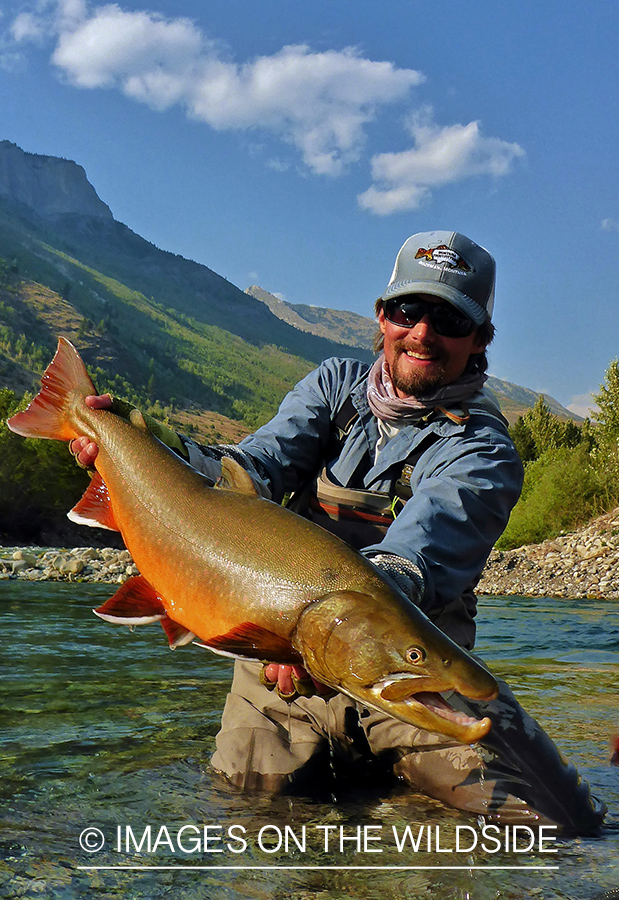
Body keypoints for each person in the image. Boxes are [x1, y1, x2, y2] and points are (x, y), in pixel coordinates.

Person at [71, 230, 605, 833]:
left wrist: (335, 634)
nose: (423, 333)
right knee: (246, 823)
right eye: (409, 310)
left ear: (480, 338)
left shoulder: (485, 451)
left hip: (409, 677)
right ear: (383, 317)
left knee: (556, 826)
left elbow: (417, 557)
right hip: (279, 665)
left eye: (451, 319)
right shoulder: (333, 387)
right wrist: (143, 449)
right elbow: (245, 473)